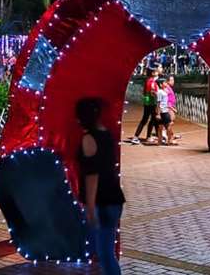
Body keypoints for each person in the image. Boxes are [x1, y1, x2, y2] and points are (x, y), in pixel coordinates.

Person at [76, 98, 125, 275]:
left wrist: (90, 207)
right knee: (106, 251)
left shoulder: (89, 138)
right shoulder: (106, 133)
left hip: (101, 202)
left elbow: (92, 176)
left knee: (104, 254)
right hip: (114, 198)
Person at [131, 68, 158, 144]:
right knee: (147, 119)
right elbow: (153, 93)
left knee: (152, 119)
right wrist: (158, 95)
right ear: (152, 73)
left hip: (147, 102)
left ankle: (149, 136)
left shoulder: (148, 80)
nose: (157, 72)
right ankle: (137, 137)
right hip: (151, 103)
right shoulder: (152, 81)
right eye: (155, 71)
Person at [154, 77, 175, 145]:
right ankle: (169, 140)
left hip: (164, 110)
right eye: (165, 83)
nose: (166, 83)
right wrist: (158, 114)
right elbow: (158, 103)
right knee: (168, 125)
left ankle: (160, 141)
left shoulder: (163, 91)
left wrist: (171, 108)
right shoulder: (160, 92)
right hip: (163, 112)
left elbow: (165, 102)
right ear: (160, 85)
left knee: (161, 126)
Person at [165, 75, 178, 143]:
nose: (173, 81)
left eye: (173, 80)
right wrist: (171, 108)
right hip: (169, 107)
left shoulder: (169, 87)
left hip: (170, 107)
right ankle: (169, 138)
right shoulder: (167, 88)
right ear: (167, 81)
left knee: (170, 123)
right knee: (170, 123)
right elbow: (165, 99)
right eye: (171, 80)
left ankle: (171, 136)